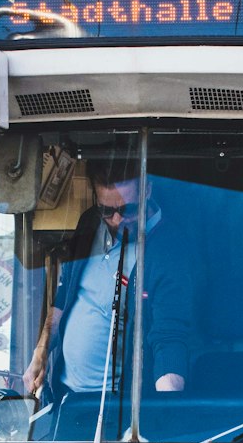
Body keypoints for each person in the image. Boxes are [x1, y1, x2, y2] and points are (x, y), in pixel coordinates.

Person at [23, 161, 190, 400]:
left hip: (113, 407)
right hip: (64, 395)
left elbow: (169, 337)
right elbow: (64, 295)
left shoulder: (169, 251)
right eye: (106, 211)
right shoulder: (90, 222)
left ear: (147, 191)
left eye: (128, 209)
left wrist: (167, 410)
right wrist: (40, 354)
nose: (116, 220)